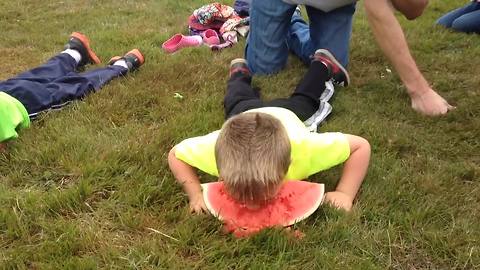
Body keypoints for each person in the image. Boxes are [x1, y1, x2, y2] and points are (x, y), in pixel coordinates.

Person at [168, 49, 370, 213]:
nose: (253, 205)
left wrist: (345, 193)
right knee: (234, 101)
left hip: (289, 114)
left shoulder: (305, 147)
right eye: (238, 192)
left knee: (307, 99)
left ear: (288, 165)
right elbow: (175, 155)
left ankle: (322, 66)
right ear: (220, 171)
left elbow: (361, 147)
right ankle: (239, 74)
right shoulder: (215, 150)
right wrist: (195, 194)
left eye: (265, 193)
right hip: (244, 115)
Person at [245, 0, 454, 116]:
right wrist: (421, 92)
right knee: (265, 69)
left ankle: (292, 25)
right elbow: (378, 10)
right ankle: (278, 20)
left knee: (329, 66)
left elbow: (414, 11)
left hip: (334, 3)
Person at [0, 32, 145, 151]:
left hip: (21, 105)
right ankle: (74, 51)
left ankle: (123, 65)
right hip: (4, 91)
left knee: (72, 87)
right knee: (41, 73)